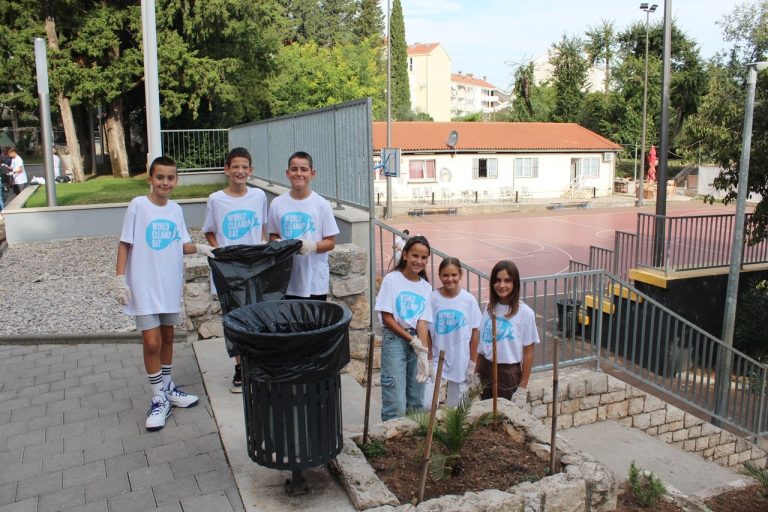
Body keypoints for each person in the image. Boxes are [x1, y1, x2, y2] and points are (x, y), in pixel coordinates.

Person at [112, 156, 215, 431]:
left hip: (168, 285)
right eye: (160, 177)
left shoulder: (176, 210)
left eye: (170, 178)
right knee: (152, 342)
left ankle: (168, 388)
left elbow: (181, 244)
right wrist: (119, 279)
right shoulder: (138, 206)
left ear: (176, 181)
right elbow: (125, 244)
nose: (165, 183)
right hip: (144, 287)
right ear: (150, 179)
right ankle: (158, 398)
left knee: (168, 336)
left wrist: (202, 248)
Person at [203, 147, 268, 393]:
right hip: (229, 270)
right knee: (233, 318)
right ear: (226, 170)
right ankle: (240, 368)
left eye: (245, 167)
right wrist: (220, 252)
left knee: (256, 316)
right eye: (235, 166)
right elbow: (209, 230)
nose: (240, 171)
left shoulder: (259, 196)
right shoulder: (216, 199)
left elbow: (262, 227)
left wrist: (261, 251)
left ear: (250, 171)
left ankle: (256, 363)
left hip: (254, 268)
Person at [375, 235, 433, 421]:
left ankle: (414, 442)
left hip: (415, 341)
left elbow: (422, 323)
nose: (419, 261)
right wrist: (412, 341)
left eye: (424, 258)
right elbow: (387, 318)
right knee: (395, 401)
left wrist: (424, 352)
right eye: (415, 255)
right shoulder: (392, 279)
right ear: (405, 255)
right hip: (395, 340)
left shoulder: (426, 288)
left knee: (417, 397)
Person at [267, 151, 339, 300]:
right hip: (286, 281)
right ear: (287, 173)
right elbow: (273, 235)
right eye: (294, 169)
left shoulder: (322, 205)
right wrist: (279, 244)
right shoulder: (277, 203)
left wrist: (312, 246)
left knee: (314, 323)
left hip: (315, 282)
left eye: (304, 169)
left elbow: (330, 242)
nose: (298, 174)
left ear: (312, 173)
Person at [476, 260, 539, 407]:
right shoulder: (488, 308)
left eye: (507, 281)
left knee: (504, 422)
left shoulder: (525, 313)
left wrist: (522, 388)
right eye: (497, 280)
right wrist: (475, 374)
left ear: (515, 283)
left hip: (507, 374)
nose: (502, 285)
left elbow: (528, 354)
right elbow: (482, 346)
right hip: (485, 370)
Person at [424, 256, 481, 408]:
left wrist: (473, 362)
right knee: (427, 403)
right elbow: (426, 330)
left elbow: (475, 332)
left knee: (456, 407)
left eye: (454, 275)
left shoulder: (469, 300)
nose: (450, 279)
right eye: (445, 275)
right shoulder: (432, 298)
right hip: (437, 358)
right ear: (439, 276)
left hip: (460, 358)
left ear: (460, 275)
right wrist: (429, 357)